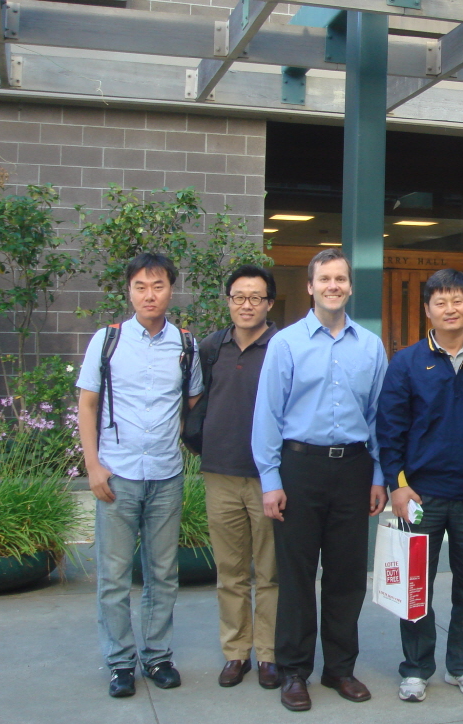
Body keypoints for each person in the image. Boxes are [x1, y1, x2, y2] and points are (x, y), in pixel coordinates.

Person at [252, 248, 387, 712]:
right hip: (299, 469)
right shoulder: (286, 344)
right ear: (310, 287)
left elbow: (378, 417)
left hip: (353, 469)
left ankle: (340, 669)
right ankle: (294, 671)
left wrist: (378, 474)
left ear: (350, 286)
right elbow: (267, 415)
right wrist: (270, 480)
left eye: (340, 278)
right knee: (296, 575)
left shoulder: (370, 346)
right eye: (324, 278)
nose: (333, 285)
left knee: (347, 576)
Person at [377, 268, 463, 704]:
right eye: (440, 302)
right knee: (415, 586)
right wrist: (397, 485)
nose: (450, 309)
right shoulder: (406, 362)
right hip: (421, 496)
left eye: (457, 300)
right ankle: (416, 669)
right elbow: (390, 429)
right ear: (428, 310)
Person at [77, 253, 204, 699]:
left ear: (171, 289)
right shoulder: (107, 341)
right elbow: (87, 404)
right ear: (129, 291)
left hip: (166, 475)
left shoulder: (186, 346)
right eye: (140, 287)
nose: (150, 295)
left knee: (162, 573)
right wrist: (93, 466)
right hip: (118, 475)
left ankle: (157, 655)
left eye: (158, 286)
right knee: (113, 576)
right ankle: (119, 663)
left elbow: (194, 407)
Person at [199, 265, 280, 690]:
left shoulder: (283, 347)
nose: (246, 305)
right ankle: (236, 652)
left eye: (256, 297)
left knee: (270, 572)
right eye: (239, 297)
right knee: (230, 572)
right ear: (228, 300)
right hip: (221, 474)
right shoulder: (212, 347)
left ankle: (268, 654)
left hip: (269, 478)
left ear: (269, 303)